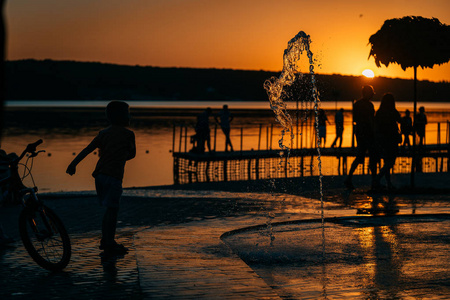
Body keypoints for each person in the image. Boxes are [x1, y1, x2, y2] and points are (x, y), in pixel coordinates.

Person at [66, 101, 136, 254]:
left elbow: (87, 149)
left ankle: (106, 240)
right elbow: (132, 154)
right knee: (113, 210)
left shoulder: (103, 133)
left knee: (108, 209)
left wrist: (73, 164)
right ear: (123, 116)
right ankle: (109, 242)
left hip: (100, 176)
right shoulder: (129, 134)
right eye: (128, 113)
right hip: (114, 177)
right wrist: (122, 156)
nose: (130, 116)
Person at [344, 85, 378, 190]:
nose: (372, 95)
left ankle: (349, 178)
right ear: (367, 93)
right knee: (372, 157)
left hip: (359, 133)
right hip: (367, 133)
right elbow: (371, 120)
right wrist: (374, 132)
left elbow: (355, 119)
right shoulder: (368, 105)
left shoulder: (357, 104)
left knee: (360, 157)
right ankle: (374, 181)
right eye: (371, 93)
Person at [372, 93, 401, 190]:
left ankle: (388, 182)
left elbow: (376, 125)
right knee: (390, 162)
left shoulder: (379, 112)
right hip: (391, 139)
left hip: (382, 139)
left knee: (386, 161)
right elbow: (400, 119)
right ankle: (378, 178)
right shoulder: (392, 111)